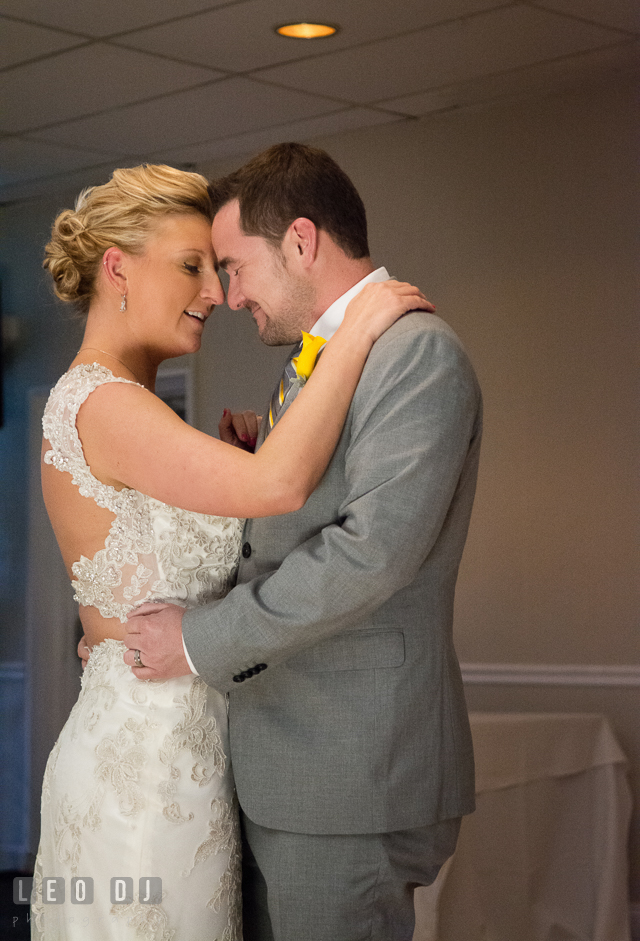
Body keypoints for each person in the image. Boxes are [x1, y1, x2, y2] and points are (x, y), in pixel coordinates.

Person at [33, 161, 432, 941]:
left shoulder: (136, 406)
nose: (216, 294)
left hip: (195, 764)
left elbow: (192, 547)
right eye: (192, 268)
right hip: (140, 777)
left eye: (217, 270)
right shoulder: (103, 401)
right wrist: (351, 336)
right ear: (117, 267)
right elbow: (280, 487)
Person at [122, 143, 482, 941]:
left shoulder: (413, 353)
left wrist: (197, 640)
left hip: (349, 771)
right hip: (301, 764)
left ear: (302, 240)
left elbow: (371, 554)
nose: (224, 293)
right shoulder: (320, 358)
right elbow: (320, 511)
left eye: (233, 265)